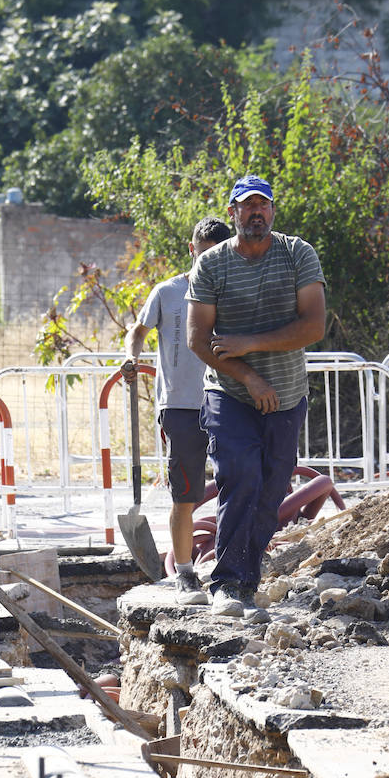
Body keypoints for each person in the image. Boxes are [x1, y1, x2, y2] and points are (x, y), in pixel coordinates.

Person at [186, 174, 326, 620]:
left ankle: (248, 581)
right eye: (247, 206)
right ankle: (225, 583)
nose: (256, 212)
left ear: (273, 211)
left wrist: (249, 343)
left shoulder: (297, 253)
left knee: (271, 489)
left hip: (286, 395)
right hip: (230, 391)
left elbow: (313, 327)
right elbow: (197, 338)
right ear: (234, 213)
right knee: (239, 473)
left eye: (262, 205)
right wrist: (247, 375)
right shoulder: (211, 265)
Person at [123, 215, 233, 603]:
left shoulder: (234, 290)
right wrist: (131, 358)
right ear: (192, 251)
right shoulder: (167, 292)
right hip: (182, 406)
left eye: (217, 255)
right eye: (203, 254)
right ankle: (185, 575)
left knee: (238, 488)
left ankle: (232, 574)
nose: (209, 262)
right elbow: (137, 330)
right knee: (185, 494)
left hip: (230, 401)